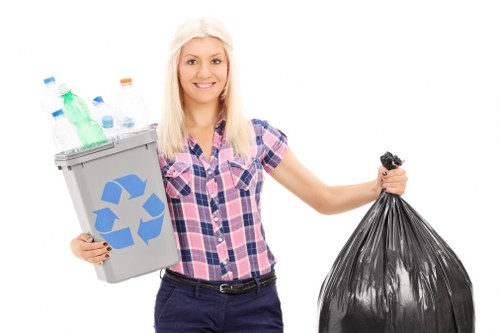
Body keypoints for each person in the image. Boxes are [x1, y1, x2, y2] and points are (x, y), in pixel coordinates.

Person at [70, 18, 407, 333]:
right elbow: (112, 215)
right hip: (184, 303)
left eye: (215, 60)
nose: (205, 71)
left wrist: (377, 186)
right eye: (192, 61)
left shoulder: (256, 136)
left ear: (229, 67)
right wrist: (80, 245)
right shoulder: (153, 145)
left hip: (255, 304)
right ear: (176, 68)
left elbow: (323, 199)